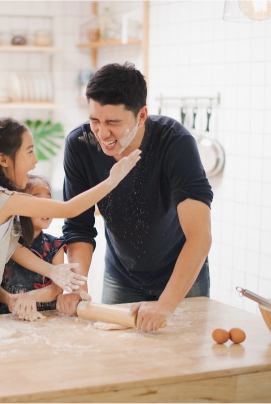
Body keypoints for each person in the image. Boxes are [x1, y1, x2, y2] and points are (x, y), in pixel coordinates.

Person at [0, 117, 141, 320]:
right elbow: (70, 208)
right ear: (3, 160)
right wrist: (113, 180)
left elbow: (14, 249)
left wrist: (52, 270)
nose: (35, 160)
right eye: (29, 152)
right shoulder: (1, 199)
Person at [58, 62, 213, 332]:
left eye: (113, 123)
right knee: (118, 362)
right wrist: (76, 285)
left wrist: (165, 304)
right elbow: (78, 227)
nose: (102, 133)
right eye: (95, 120)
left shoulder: (175, 143)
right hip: (121, 275)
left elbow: (200, 235)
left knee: (184, 361)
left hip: (181, 275)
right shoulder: (80, 145)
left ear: (141, 115)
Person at [0, 175, 66, 321]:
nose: (46, 209)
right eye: (37, 203)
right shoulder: (4, 241)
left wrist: (30, 296)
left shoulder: (56, 246)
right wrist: (9, 299)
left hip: (44, 320)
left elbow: (57, 289)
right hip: (4, 318)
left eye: (49, 202)